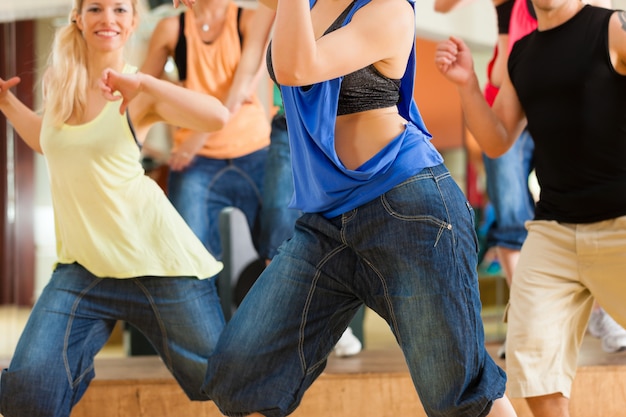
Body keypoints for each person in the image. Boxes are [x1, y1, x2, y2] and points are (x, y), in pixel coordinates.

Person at [173, 0, 520, 416]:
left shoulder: (390, 10)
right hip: (326, 222)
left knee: (461, 398)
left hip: (407, 208)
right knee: (241, 374)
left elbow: (296, 67)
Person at [0, 0, 230, 416]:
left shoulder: (138, 92)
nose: (108, 18)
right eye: (96, 8)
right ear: (78, 18)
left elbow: (217, 117)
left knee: (225, 385)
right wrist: (6, 104)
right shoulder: (60, 85)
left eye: (120, 9)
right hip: (84, 268)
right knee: (28, 389)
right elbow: (50, 140)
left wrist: (146, 85)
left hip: (158, 266)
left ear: (133, 22)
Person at [436, 1, 626, 415]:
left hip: (620, 225)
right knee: (533, 361)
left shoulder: (611, 27)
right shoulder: (523, 54)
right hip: (554, 231)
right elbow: (499, 139)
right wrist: (468, 85)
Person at [140, 0, 275, 262]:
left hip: (254, 150)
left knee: (280, 252)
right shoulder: (171, 29)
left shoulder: (248, 19)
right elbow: (143, 85)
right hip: (196, 162)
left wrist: (196, 137)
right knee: (190, 260)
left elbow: (243, 89)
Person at [258, 83, 362, 357]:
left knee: (336, 225)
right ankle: (285, 326)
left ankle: (332, 323)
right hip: (290, 123)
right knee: (278, 222)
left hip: (338, 120)